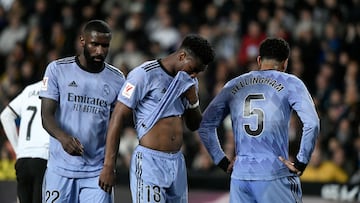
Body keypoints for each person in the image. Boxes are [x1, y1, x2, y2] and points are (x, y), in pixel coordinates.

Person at [198, 37, 320, 203]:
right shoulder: (291, 83)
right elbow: (312, 123)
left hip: (240, 176)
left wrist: (221, 160)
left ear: (259, 60)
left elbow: (205, 125)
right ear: (285, 63)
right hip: (273, 173)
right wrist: (301, 161)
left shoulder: (234, 84)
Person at [99, 34, 215, 202]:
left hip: (177, 162)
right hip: (149, 162)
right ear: (182, 56)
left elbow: (194, 124)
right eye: (193, 69)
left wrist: (193, 100)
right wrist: (109, 165)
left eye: (198, 72)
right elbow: (117, 117)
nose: (194, 75)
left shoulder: (189, 82)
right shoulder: (144, 74)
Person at [39, 20, 125, 203]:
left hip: (96, 172)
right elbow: (46, 116)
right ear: (82, 41)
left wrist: (110, 166)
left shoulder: (117, 79)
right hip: (60, 169)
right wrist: (63, 138)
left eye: (105, 46)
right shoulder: (57, 69)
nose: (100, 51)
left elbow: (116, 126)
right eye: (95, 44)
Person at [0, 80, 49, 203]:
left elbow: (5, 116)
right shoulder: (59, 90)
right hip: (44, 156)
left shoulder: (29, 90)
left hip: (23, 159)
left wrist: (18, 149)